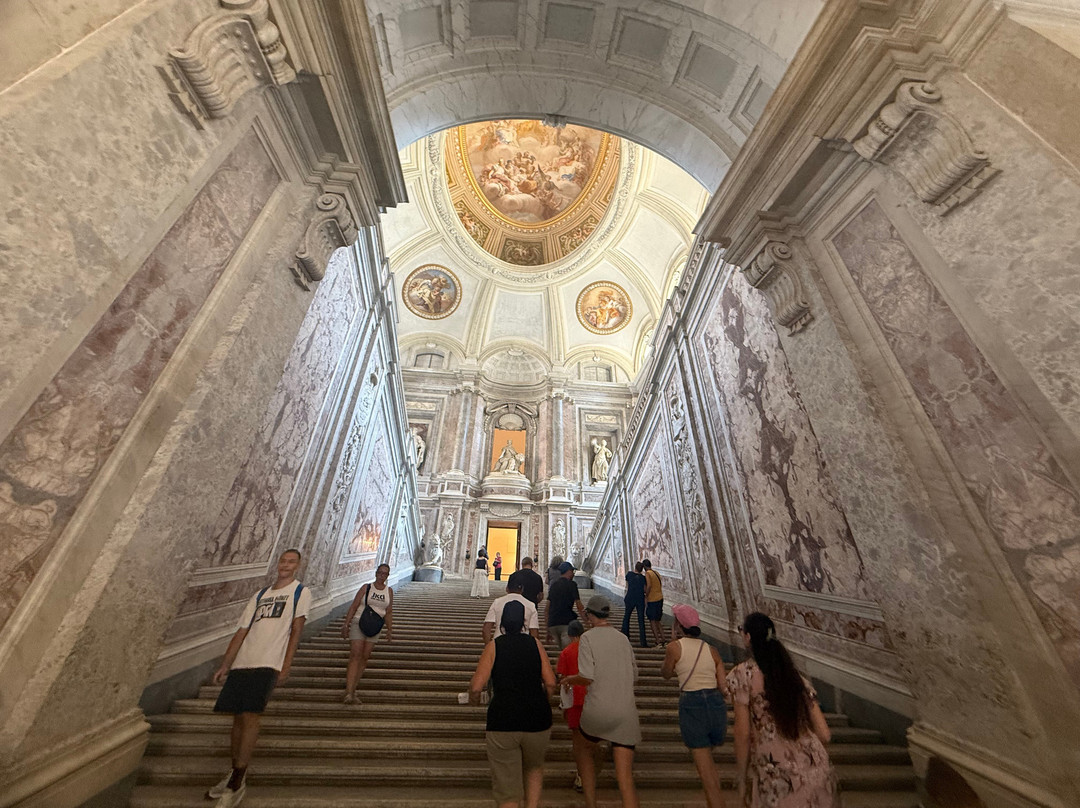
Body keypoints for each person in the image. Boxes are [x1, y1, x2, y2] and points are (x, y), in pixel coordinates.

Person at [207, 549, 312, 807]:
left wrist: (286, 665)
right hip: (243, 661)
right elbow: (242, 630)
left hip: (269, 661)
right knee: (237, 718)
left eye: (291, 562)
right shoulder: (260, 594)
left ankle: (238, 781)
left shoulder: (300, 592)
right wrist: (226, 664)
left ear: (298, 566)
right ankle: (234, 772)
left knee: (250, 716)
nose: (285, 565)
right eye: (283, 560)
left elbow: (296, 630)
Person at [727, 613, 837, 808]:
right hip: (815, 768)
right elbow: (825, 734)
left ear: (748, 637)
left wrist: (742, 778)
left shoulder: (742, 675)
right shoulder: (795, 677)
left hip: (775, 771)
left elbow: (742, 733)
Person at [470, 601, 556, 808]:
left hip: (503, 719)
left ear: (501, 622)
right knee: (534, 767)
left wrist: (475, 700)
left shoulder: (494, 646)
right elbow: (551, 683)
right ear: (524, 622)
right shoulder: (536, 644)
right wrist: (544, 700)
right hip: (537, 719)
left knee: (507, 787)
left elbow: (476, 686)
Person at [564, 596, 641, 808]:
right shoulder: (623, 638)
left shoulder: (587, 638)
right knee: (625, 779)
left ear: (589, 615)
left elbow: (586, 676)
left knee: (584, 750)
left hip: (598, 709)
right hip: (625, 713)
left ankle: (591, 801)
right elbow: (635, 674)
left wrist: (570, 680)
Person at [661, 605, 727, 808]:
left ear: (678, 625)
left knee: (705, 773)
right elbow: (723, 686)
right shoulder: (712, 650)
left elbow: (666, 674)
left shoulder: (674, 648)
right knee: (710, 769)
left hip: (692, 704)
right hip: (715, 704)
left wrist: (672, 641)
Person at [339, 562, 394, 704]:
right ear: (376, 573)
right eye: (380, 573)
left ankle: (353, 690)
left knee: (364, 657)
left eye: (385, 574)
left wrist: (389, 629)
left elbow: (388, 612)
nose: (382, 576)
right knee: (355, 654)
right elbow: (354, 606)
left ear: (387, 576)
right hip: (359, 621)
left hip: (375, 626)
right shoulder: (366, 587)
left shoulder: (389, 591)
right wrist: (346, 623)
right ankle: (348, 692)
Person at [556, 620, 592, 794]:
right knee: (591, 739)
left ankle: (581, 775)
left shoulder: (566, 652)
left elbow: (563, 679)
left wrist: (563, 705)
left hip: (575, 700)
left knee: (578, 741)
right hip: (592, 697)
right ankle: (591, 772)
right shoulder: (591, 650)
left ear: (570, 635)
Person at [546, 561, 585, 649]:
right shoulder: (572, 585)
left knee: (558, 652)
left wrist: (547, 629)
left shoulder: (554, 585)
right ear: (568, 571)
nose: (573, 574)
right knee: (567, 651)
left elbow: (547, 608)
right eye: (572, 571)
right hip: (566, 623)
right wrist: (586, 620)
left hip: (553, 623)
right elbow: (578, 605)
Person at [621, 561, 648, 648]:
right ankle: (643, 641)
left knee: (627, 617)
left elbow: (627, 585)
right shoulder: (643, 578)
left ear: (635, 567)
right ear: (642, 569)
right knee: (641, 620)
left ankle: (625, 636)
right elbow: (645, 589)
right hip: (640, 599)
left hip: (630, 597)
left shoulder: (629, 574)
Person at [642, 559, 665, 647]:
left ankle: (658, 641)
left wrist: (646, 595)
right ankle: (663, 639)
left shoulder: (648, 573)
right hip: (660, 597)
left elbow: (649, 585)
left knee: (652, 621)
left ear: (644, 567)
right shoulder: (656, 573)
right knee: (658, 621)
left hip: (652, 599)